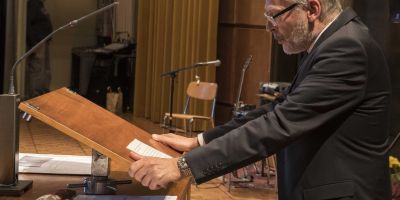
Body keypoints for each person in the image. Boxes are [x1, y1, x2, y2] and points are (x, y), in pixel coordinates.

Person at [128, 0, 392, 199]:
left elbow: (278, 124)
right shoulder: (332, 43)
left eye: (273, 15)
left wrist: (182, 166)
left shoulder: (346, 48)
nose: (268, 27)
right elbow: (279, 110)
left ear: (312, 9)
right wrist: (198, 141)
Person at [26, 0, 53, 98]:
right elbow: (27, 24)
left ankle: (44, 93)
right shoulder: (33, 3)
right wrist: (34, 42)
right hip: (37, 41)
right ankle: (36, 95)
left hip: (44, 41)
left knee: (45, 70)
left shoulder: (40, 4)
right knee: (38, 69)